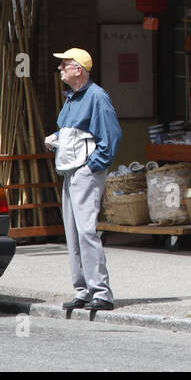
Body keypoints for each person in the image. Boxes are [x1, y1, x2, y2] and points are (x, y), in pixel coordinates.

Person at [49, 48, 122, 313]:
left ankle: (101, 292)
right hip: (72, 172)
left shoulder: (97, 97)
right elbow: (72, 134)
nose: (60, 68)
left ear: (78, 69)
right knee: (73, 232)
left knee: (87, 231)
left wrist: (92, 168)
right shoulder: (73, 97)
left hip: (83, 172)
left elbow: (111, 136)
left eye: (64, 64)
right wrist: (57, 141)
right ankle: (83, 290)